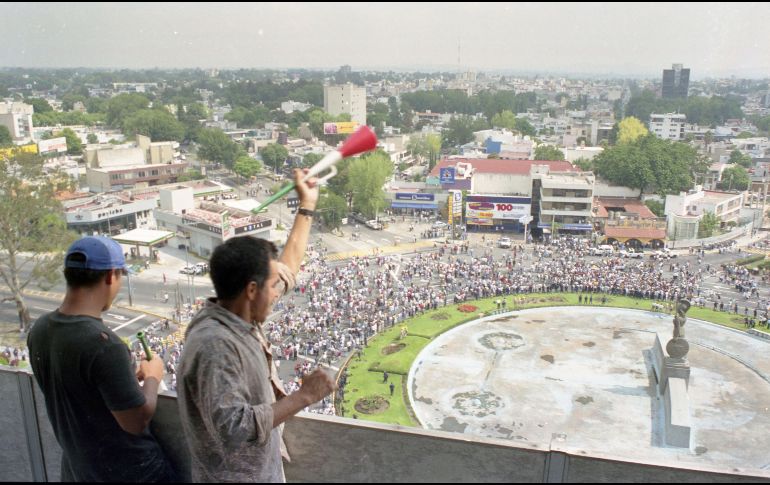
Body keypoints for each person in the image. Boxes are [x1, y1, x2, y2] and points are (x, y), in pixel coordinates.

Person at [177, 169, 336, 482]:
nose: (278, 292)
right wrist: (303, 397)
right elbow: (233, 427)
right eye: (272, 286)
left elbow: (287, 268)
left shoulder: (237, 313)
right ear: (252, 290)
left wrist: (307, 206)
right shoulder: (216, 345)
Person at [27, 236, 175, 482]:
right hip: (130, 472)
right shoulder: (103, 344)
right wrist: (152, 376)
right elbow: (136, 421)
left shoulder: (40, 330)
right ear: (110, 276)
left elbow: (82, 393)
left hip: (80, 471)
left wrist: (124, 379)